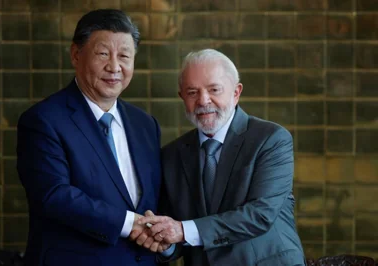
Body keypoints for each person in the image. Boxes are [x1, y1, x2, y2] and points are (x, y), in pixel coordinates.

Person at [17, 9, 163, 266]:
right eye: (103, 54)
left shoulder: (145, 125)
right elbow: (54, 196)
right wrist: (131, 223)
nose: (114, 67)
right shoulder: (43, 120)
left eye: (124, 56)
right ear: (76, 54)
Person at [135, 49, 306, 266]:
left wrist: (181, 230)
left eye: (214, 89)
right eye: (192, 92)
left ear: (236, 92)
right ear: (182, 97)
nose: (203, 100)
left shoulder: (271, 139)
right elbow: (175, 229)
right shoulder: (171, 155)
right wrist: (165, 243)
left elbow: (260, 215)